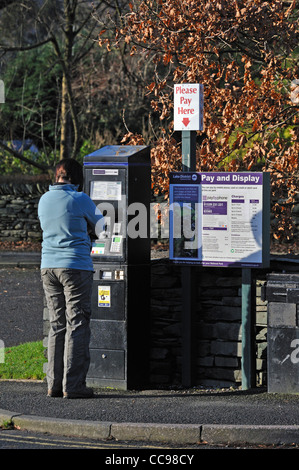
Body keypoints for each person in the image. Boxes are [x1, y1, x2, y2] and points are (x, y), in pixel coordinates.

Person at [38, 158, 104, 399]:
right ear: (77, 179)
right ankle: (73, 385)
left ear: (57, 177)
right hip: (75, 266)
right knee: (76, 322)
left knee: (57, 324)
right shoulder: (79, 198)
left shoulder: (44, 200)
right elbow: (102, 226)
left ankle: (53, 385)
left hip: (48, 266)